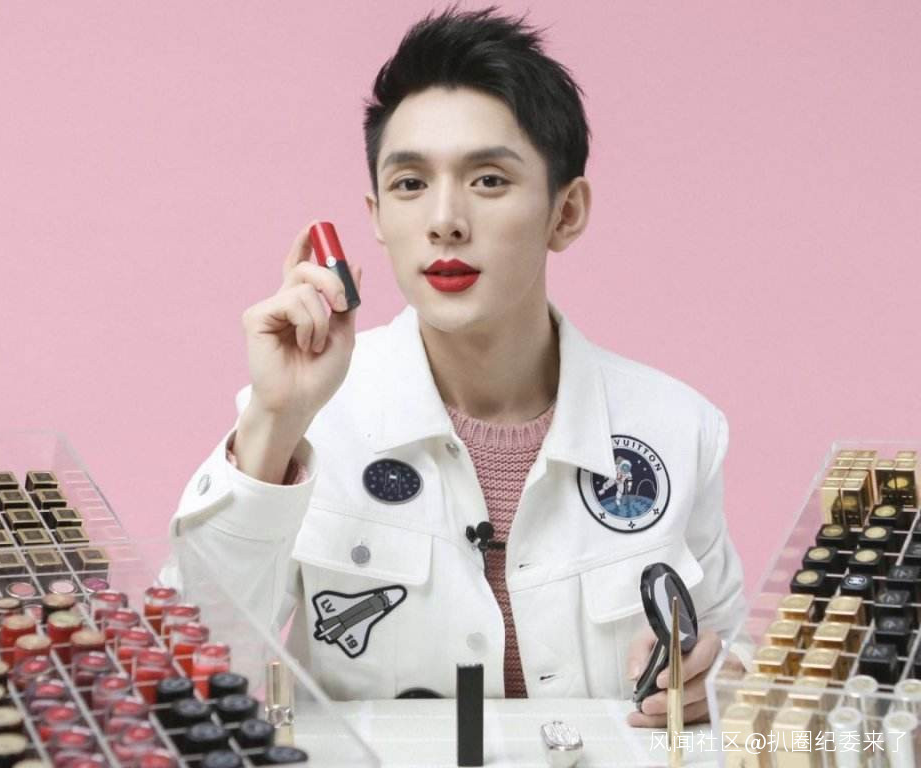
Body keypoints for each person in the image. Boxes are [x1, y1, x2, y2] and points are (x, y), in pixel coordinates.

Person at [165, 5, 747, 728]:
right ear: (376, 217)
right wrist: (275, 422)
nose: (444, 220)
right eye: (410, 184)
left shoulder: (678, 429)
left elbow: (733, 657)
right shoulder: (307, 419)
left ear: (566, 212)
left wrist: (714, 681)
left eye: (489, 180)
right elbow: (189, 674)